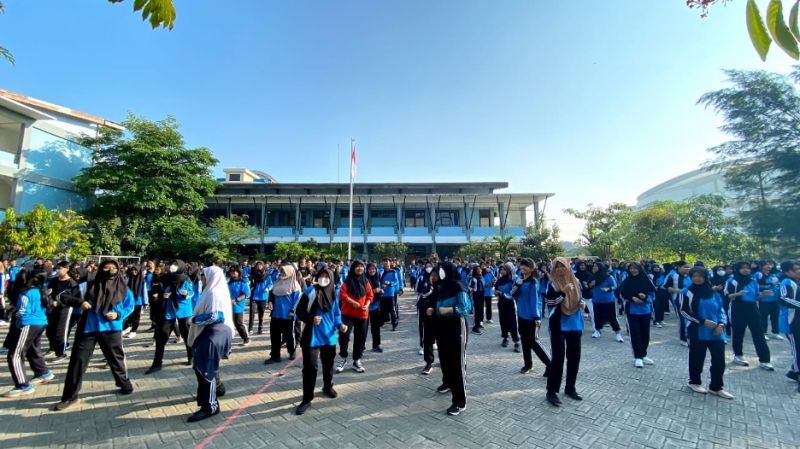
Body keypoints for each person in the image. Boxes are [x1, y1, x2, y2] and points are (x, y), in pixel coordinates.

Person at [55, 260, 135, 410]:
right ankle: (70, 396)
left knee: (116, 360)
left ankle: (125, 384)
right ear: (100, 269)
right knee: (77, 363)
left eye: (113, 268)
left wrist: (118, 314)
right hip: (88, 329)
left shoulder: (124, 288)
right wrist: (79, 302)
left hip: (111, 329)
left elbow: (130, 306)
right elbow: (63, 296)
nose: (109, 270)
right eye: (106, 267)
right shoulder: (88, 285)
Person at [294, 269, 347, 415]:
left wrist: (340, 325)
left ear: (331, 278)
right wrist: (311, 318)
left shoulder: (333, 294)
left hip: (329, 336)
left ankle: (327, 386)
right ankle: (307, 399)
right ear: (317, 277)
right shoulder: (310, 291)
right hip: (311, 336)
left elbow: (336, 314)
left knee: (328, 364)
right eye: (321, 276)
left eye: (326, 276)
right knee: (310, 368)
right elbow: (299, 311)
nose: (324, 278)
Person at [186, 266, 234, 422]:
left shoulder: (214, 292)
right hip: (213, 332)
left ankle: (210, 406)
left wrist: (193, 319)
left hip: (215, 332)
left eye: (204, 275)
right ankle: (215, 391)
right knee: (203, 366)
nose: (202, 278)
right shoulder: (214, 289)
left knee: (205, 369)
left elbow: (215, 316)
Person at [680, 267, 733, 399]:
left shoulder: (713, 293)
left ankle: (716, 387)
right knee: (697, 359)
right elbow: (683, 311)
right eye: (694, 276)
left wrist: (721, 324)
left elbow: (721, 310)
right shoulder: (687, 292)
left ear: (705, 277)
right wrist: (701, 321)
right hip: (697, 331)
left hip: (716, 332)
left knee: (719, 360)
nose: (697, 278)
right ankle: (694, 382)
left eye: (700, 276)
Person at [428, 261, 472, 416]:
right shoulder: (442, 286)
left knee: (456, 364)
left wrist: (448, 309)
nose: (438, 272)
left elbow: (466, 308)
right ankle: (448, 383)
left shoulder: (458, 287)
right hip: (442, 327)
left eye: (441, 270)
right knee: (445, 360)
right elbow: (439, 305)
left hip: (456, 328)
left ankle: (460, 401)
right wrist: (434, 309)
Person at [3, 269, 53, 398]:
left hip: (28, 323)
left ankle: (23, 385)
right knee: (33, 349)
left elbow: (22, 311)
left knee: (15, 354)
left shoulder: (26, 293)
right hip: (41, 323)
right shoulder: (41, 291)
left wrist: (12, 314)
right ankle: (43, 372)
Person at [544, 257, 585, 407]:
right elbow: (549, 302)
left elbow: (580, 297)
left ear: (568, 267)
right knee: (558, 358)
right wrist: (563, 293)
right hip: (558, 325)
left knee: (574, 358)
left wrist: (582, 303)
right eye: (557, 267)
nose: (560, 270)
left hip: (575, 324)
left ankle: (570, 388)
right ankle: (551, 391)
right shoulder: (552, 284)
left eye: (563, 266)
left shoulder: (577, 281)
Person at [146, 260, 195, 374]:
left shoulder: (185, 279)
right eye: (172, 265)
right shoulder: (166, 277)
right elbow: (160, 289)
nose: (173, 267)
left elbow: (191, 293)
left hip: (183, 310)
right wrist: (161, 295)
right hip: (168, 309)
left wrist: (183, 294)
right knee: (161, 335)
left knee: (186, 334)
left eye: (176, 265)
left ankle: (191, 357)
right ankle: (157, 363)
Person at [725, 262, 774, 370]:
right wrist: (737, 294)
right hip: (737, 308)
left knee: (759, 334)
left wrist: (763, 294)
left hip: (752, 309)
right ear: (737, 269)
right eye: (742, 268)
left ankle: (765, 360)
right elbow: (727, 296)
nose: (746, 270)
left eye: (747, 268)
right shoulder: (732, 281)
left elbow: (757, 298)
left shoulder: (753, 281)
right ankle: (738, 355)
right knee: (738, 333)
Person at [512, 258, 550, 375]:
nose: (522, 268)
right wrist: (517, 285)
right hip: (521, 315)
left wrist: (537, 317)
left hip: (531, 317)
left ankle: (550, 364)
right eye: (521, 266)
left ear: (532, 268)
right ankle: (528, 364)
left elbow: (534, 301)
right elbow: (512, 294)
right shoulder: (520, 280)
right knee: (524, 341)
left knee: (533, 342)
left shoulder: (533, 282)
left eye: (526, 266)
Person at [336, 260, 373, 374]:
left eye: (362, 266)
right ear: (353, 268)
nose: (360, 268)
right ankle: (343, 358)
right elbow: (342, 294)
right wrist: (351, 302)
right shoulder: (347, 281)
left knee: (360, 338)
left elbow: (370, 295)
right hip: (347, 314)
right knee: (344, 336)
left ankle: (357, 360)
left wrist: (366, 305)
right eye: (357, 266)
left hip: (362, 314)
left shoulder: (366, 281)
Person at [620, 263, 656, 368]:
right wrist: (632, 298)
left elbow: (653, 295)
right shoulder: (627, 281)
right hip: (632, 311)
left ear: (639, 269)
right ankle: (637, 357)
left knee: (645, 334)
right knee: (635, 334)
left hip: (645, 311)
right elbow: (622, 293)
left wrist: (645, 297)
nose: (633, 270)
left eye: (635, 268)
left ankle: (643, 355)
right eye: (631, 268)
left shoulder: (646, 280)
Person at [265, 264, 301, 364]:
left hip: (288, 315)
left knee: (289, 335)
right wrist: (270, 302)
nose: (282, 273)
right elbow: (272, 294)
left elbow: (297, 300)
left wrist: (293, 311)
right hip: (276, 313)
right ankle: (275, 355)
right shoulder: (277, 283)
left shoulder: (295, 285)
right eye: (282, 271)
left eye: (284, 272)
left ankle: (292, 351)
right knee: (274, 335)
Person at [46, 261, 78, 363]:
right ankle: (52, 348)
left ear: (67, 269)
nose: (58, 270)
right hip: (52, 308)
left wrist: (59, 302)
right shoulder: (54, 280)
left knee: (61, 331)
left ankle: (61, 353)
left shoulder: (72, 283)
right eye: (57, 268)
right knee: (50, 330)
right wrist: (50, 300)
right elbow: (48, 292)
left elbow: (72, 298)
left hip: (65, 309)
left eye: (60, 268)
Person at [778, 261, 800, 392]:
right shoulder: (787, 283)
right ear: (787, 272)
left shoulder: (797, 282)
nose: (799, 271)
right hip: (791, 321)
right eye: (795, 269)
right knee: (797, 349)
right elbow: (783, 298)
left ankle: (793, 370)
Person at [589, 263, 623, 342]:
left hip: (608, 300)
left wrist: (608, 289)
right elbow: (589, 286)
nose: (594, 268)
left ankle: (617, 333)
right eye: (593, 266)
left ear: (601, 267)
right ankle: (597, 330)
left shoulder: (608, 277)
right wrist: (591, 284)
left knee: (611, 317)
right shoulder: (592, 277)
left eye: (596, 266)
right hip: (596, 300)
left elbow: (615, 286)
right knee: (597, 316)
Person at [415, 261, 437, 374]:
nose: (432, 276)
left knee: (442, 338)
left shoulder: (441, 284)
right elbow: (418, 292)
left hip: (440, 314)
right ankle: (428, 363)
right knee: (427, 336)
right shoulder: (422, 278)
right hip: (425, 310)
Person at [754, 262, 782, 341]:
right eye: (767, 264)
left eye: (770, 264)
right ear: (761, 266)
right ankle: (763, 333)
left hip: (775, 299)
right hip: (764, 299)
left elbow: (777, 285)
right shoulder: (758, 274)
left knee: (775, 317)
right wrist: (770, 284)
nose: (769, 266)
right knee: (763, 317)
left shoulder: (773, 275)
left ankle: (775, 333)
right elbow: (757, 286)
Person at [495, 262, 520, 352]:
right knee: (503, 321)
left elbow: (513, 292)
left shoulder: (514, 279)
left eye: (504, 269)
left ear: (509, 270)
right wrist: (496, 292)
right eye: (501, 269)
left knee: (513, 322)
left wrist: (501, 293)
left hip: (511, 303)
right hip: (501, 303)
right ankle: (505, 338)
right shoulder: (500, 280)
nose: (502, 271)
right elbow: (496, 289)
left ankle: (516, 341)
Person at [227, 266, 251, 346]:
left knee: (239, 323)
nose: (232, 273)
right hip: (229, 305)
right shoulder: (229, 282)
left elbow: (247, 294)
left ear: (239, 272)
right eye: (231, 272)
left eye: (234, 272)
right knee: (232, 322)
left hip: (238, 305)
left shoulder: (243, 282)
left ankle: (246, 338)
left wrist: (236, 300)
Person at [122, 264, 148, 339]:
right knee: (127, 316)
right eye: (132, 270)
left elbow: (144, 291)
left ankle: (133, 331)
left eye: (135, 270)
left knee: (136, 317)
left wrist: (145, 302)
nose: (134, 271)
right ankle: (127, 327)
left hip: (138, 302)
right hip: (128, 301)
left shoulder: (142, 280)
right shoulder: (128, 278)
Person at [365, 263, 385, 352]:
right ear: (367, 270)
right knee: (363, 328)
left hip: (375, 305)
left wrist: (380, 290)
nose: (372, 270)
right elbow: (361, 291)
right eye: (370, 269)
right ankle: (361, 346)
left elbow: (379, 288)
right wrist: (373, 291)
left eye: (373, 269)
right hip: (365, 306)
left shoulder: (377, 278)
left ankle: (376, 345)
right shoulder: (364, 279)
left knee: (376, 327)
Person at [249, 261, 273, 335]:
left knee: (261, 314)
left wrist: (268, 288)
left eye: (260, 265)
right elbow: (250, 283)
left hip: (263, 296)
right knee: (252, 312)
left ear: (263, 266)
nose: (259, 267)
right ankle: (250, 328)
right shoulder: (253, 275)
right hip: (254, 296)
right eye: (257, 266)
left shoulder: (267, 275)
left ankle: (260, 328)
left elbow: (271, 284)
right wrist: (250, 285)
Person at [379, 258, 401, 331]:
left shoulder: (393, 272)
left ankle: (394, 323)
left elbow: (396, 281)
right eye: (384, 261)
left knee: (392, 309)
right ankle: (381, 322)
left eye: (387, 262)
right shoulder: (381, 271)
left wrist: (390, 283)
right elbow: (378, 281)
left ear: (390, 263)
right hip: (382, 293)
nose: (386, 263)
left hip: (390, 293)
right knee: (382, 309)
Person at [469, 265, 485, 335]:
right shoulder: (473, 279)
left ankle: (479, 324)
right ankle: (475, 328)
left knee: (481, 310)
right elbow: (470, 288)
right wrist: (471, 296)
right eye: (478, 269)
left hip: (481, 295)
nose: (480, 270)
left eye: (480, 269)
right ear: (475, 271)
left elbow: (483, 286)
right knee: (476, 311)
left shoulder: (482, 278)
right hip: (476, 296)